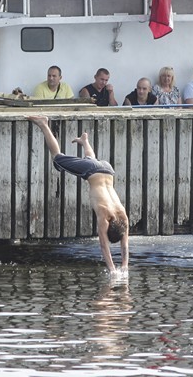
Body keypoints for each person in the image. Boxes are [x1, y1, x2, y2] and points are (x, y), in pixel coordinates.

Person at [27, 115, 129, 274]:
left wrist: (125, 265)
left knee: (90, 160)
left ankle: (84, 141)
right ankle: (43, 124)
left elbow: (124, 244)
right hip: (93, 170)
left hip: (107, 169)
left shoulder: (123, 217)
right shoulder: (105, 216)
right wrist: (113, 270)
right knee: (57, 158)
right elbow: (103, 245)